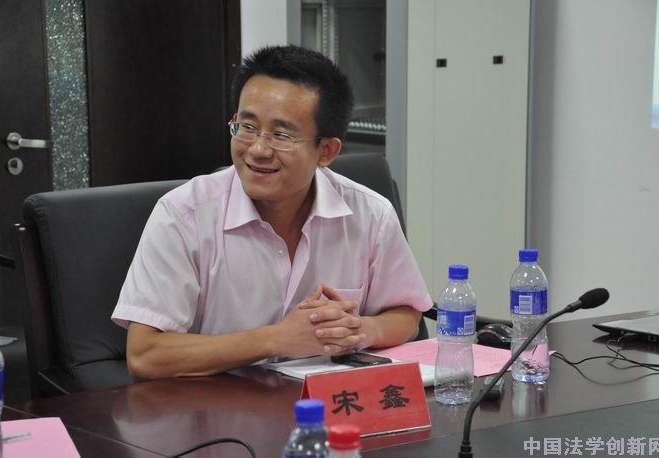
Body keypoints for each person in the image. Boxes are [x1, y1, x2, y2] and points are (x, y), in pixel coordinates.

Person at [111, 45, 432, 380]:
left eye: (281, 135)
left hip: (330, 403)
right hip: (217, 406)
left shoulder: (370, 213)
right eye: (247, 127)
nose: (258, 149)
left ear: (326, 151)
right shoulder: (183, 215)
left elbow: (406, 313)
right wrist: (277, 339)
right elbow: (145, 355)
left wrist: (359, 330)